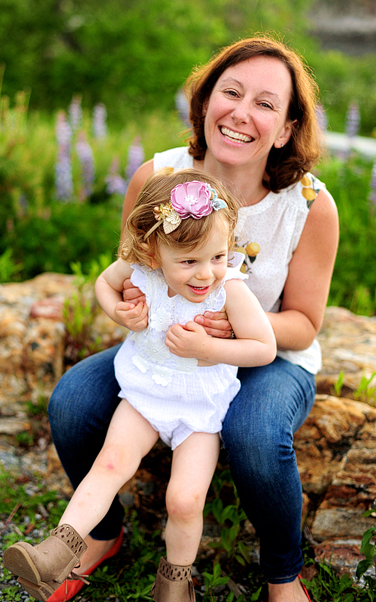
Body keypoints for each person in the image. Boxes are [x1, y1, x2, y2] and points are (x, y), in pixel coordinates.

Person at [47, 36, 337, 602]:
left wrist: (238, 331)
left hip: (270, 355)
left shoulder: (309, 203)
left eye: (265, 103)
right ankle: (103, 535)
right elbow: (135, 273)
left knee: (254, 433)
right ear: (205, 103)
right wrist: (129, 308)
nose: (241, 113)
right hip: (168, 351)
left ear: (284, 129)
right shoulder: (158, 178)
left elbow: (304, 323)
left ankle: (283, 574)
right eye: (230, 92)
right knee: (74, 402)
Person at [4, 169, 276, 602]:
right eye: (188, 262)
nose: (206, 273)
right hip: (144, 394)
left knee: (184, 500)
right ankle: (55, 554)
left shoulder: (230, 290)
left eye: (218, 256)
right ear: (153, 252)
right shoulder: (139, 268)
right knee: (109, 465)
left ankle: (174, 586)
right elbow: (103, 285)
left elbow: (264, 348)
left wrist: (209, 347)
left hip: (199, 410)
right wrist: (118, 313)